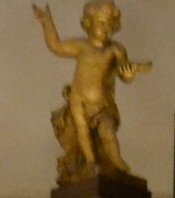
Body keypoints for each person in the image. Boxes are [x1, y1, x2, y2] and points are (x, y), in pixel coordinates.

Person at [34, 2, 151, 182]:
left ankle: (116, 159)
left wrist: (129, 74)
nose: (106, 29)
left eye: (109, 25)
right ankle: (90, 161)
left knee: (107, 130)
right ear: (88, 24)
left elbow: (124, 75)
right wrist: (46, 22)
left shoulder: (116, 50)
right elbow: (56, 46)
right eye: (101, 23)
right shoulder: (81, 46)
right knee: (82, 131)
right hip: (79, 99)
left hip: (103, 104)